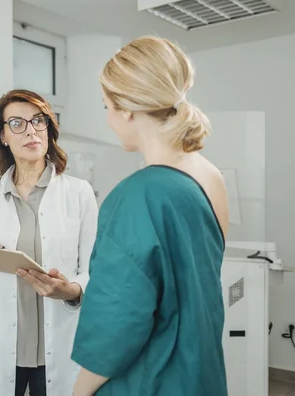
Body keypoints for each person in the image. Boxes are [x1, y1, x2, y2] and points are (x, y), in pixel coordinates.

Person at [71, 36, 230, 396]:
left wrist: (78, 392)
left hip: (148, 383)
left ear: (126, 108)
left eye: (106, 106)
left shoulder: (136, 196)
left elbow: (115, 328)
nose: (109, 119)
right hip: (200, 375)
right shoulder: (209, 176)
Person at [0, 89, 98, 396]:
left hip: (59, 345)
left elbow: (94, 269)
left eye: (38, 121)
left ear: (49, 128)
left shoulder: (79, 193)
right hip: (3, 347)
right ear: (3, 135)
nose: (31, 130)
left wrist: (71, 290)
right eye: (17, 124)